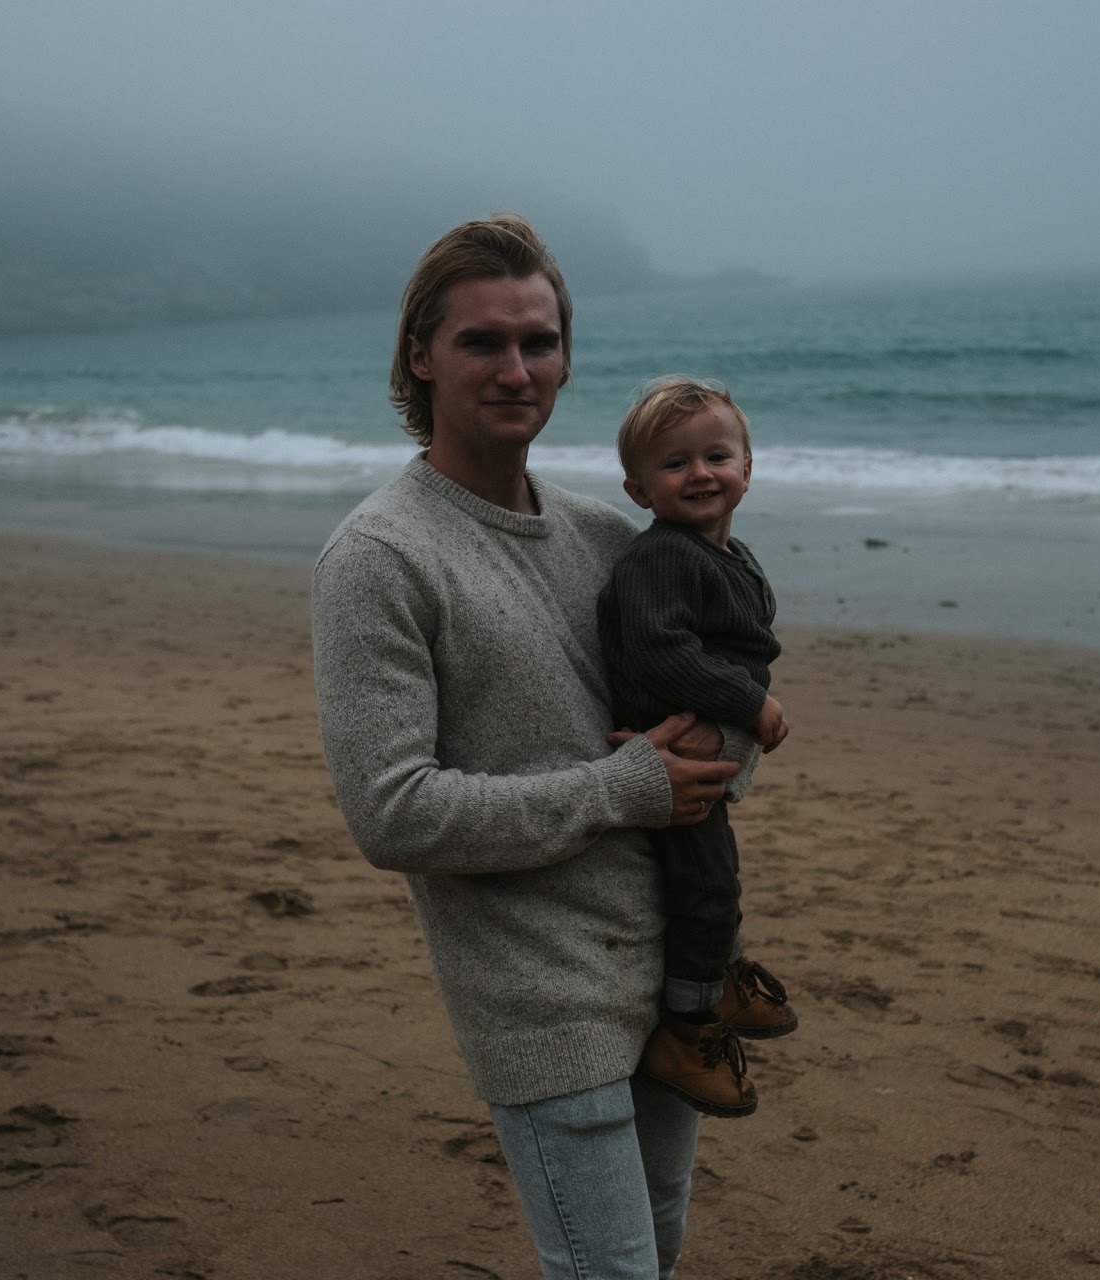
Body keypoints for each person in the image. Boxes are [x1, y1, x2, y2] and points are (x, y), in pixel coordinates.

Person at [311, 214, 746, 1280]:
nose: (517, 369)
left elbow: (713, 725)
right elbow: (392, 813)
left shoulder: (610, 537)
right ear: (421, 355)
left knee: (661, 1247)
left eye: (539, 342)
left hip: (673, 983)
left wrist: (721, 743)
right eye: (483, 342)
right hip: (539, 1003)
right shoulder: (379, 557)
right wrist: (623, 787)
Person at [598, 377, 800, 1120]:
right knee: (705, 890)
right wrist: (749, 703)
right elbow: (660, 653)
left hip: (699, 746)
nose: (700, 474)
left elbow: (740, 642)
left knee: (717, 880)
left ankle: (721, 978)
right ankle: (687, 1027)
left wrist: (744, 706)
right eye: (675, 463)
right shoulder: (661, 558)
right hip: (666, 757)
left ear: (748, 468)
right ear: (638, 489)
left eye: (717, 456)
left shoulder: (727, 554)